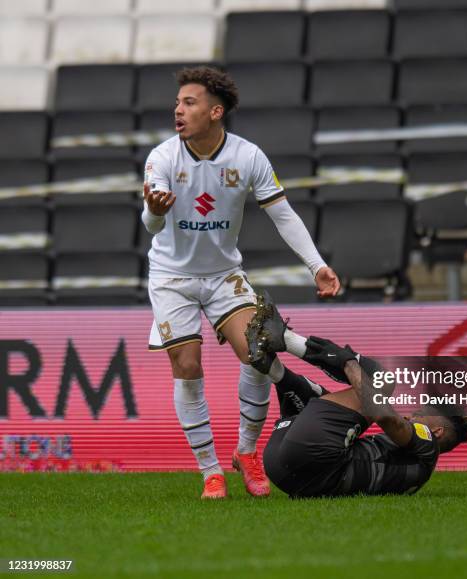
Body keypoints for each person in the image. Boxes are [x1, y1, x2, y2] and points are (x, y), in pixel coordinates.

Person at [141, 66, 340, 499]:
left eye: (188, 102)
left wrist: (316, 266)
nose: (178, 110)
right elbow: (152, 225)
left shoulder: (248, 157)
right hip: (171, 277)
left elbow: (282, 214)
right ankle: (210, 471)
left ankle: (246, 453)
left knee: (257, 350)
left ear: (215, 112)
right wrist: (154, 210)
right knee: (188, 367)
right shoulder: (162, 157)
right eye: (177, 102)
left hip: (222, 275)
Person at [245, 293, 467, 498]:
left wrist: (348, 362)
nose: (413, 414)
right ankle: (273, 366)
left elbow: (387, 418)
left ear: (437, 431)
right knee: (323, 397)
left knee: (382, 381)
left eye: (422, 414)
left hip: (312, 456)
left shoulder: (428, 444)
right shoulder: (417, 472)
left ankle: (286, 340)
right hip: (288, 475)